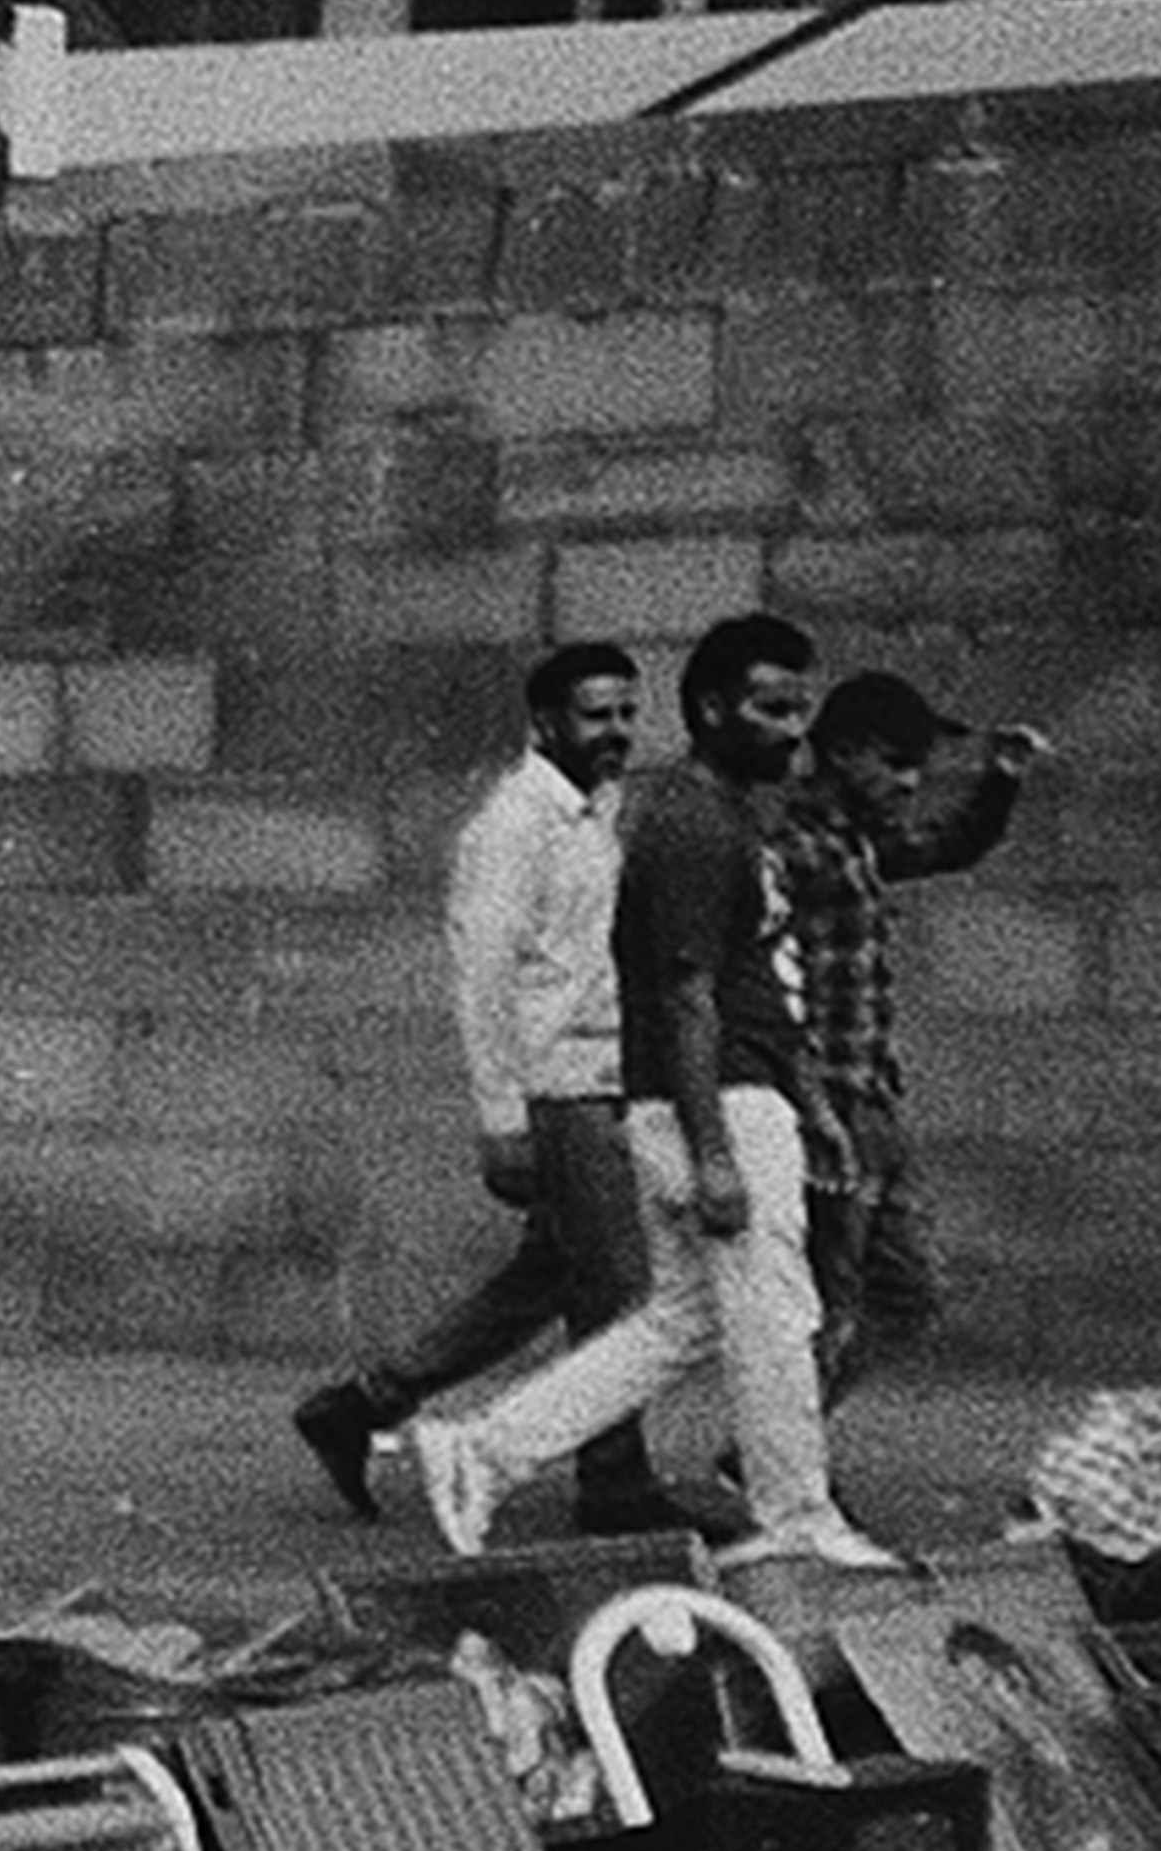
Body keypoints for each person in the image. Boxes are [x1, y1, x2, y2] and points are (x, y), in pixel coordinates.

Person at [411, 611, 899, 1571]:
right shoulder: (688, 828)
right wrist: (715, 1147)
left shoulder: (719, 819)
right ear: (712, 710)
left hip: (727, 1096)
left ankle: (480, 1449)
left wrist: (812, 1109)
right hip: (709, 1101)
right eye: (769, 708)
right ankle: (797, 1515)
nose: (792, 731)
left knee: (682, 1321)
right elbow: (684, 996)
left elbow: (759, 983)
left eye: (800, 709)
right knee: (772, 1314)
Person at [294, 641, 691, 1541]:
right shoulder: (511, 824)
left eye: (628, 713)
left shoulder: (600, 811)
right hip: (559, 1089)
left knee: (548, 1277)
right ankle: (614, 1483)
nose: (617, 732)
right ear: (545, 722)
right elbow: (482, 979)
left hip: (609, 1076)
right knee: (622, 1293)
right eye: (597, 715)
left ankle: (361, 1404)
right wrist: (502, 1119)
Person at [776, 667, 1038, 1395]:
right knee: (827, 1303)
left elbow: (946, 845)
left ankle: (765, 1453)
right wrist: (809, 1106)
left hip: (872, 1102)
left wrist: (1002, 778)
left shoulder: (859, 841)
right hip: (821, 1106)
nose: (911, 781)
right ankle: (780, 1467)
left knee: (906, 1295)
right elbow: (761, 989)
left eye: (917, 764)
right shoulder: (793, 846)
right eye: (894, 762)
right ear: (841, 754)